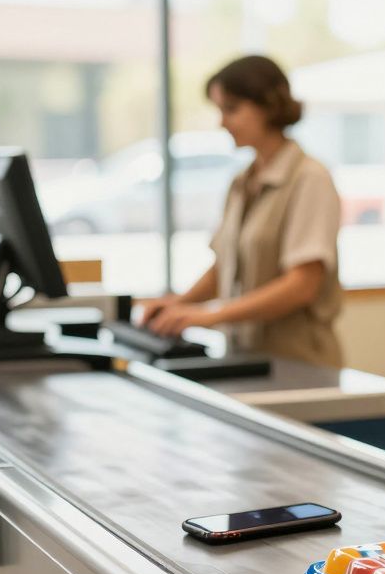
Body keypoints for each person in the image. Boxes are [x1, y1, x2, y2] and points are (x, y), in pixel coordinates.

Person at [143, 55, 344, 369]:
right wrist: (179, 305)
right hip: (246, 357)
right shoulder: (241, 182)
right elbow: (223, 267)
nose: (222, 122)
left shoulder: (309, 179)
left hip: (300, 364)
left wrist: (212, 314)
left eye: (231, 109)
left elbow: (302, 285)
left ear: (268, 106)